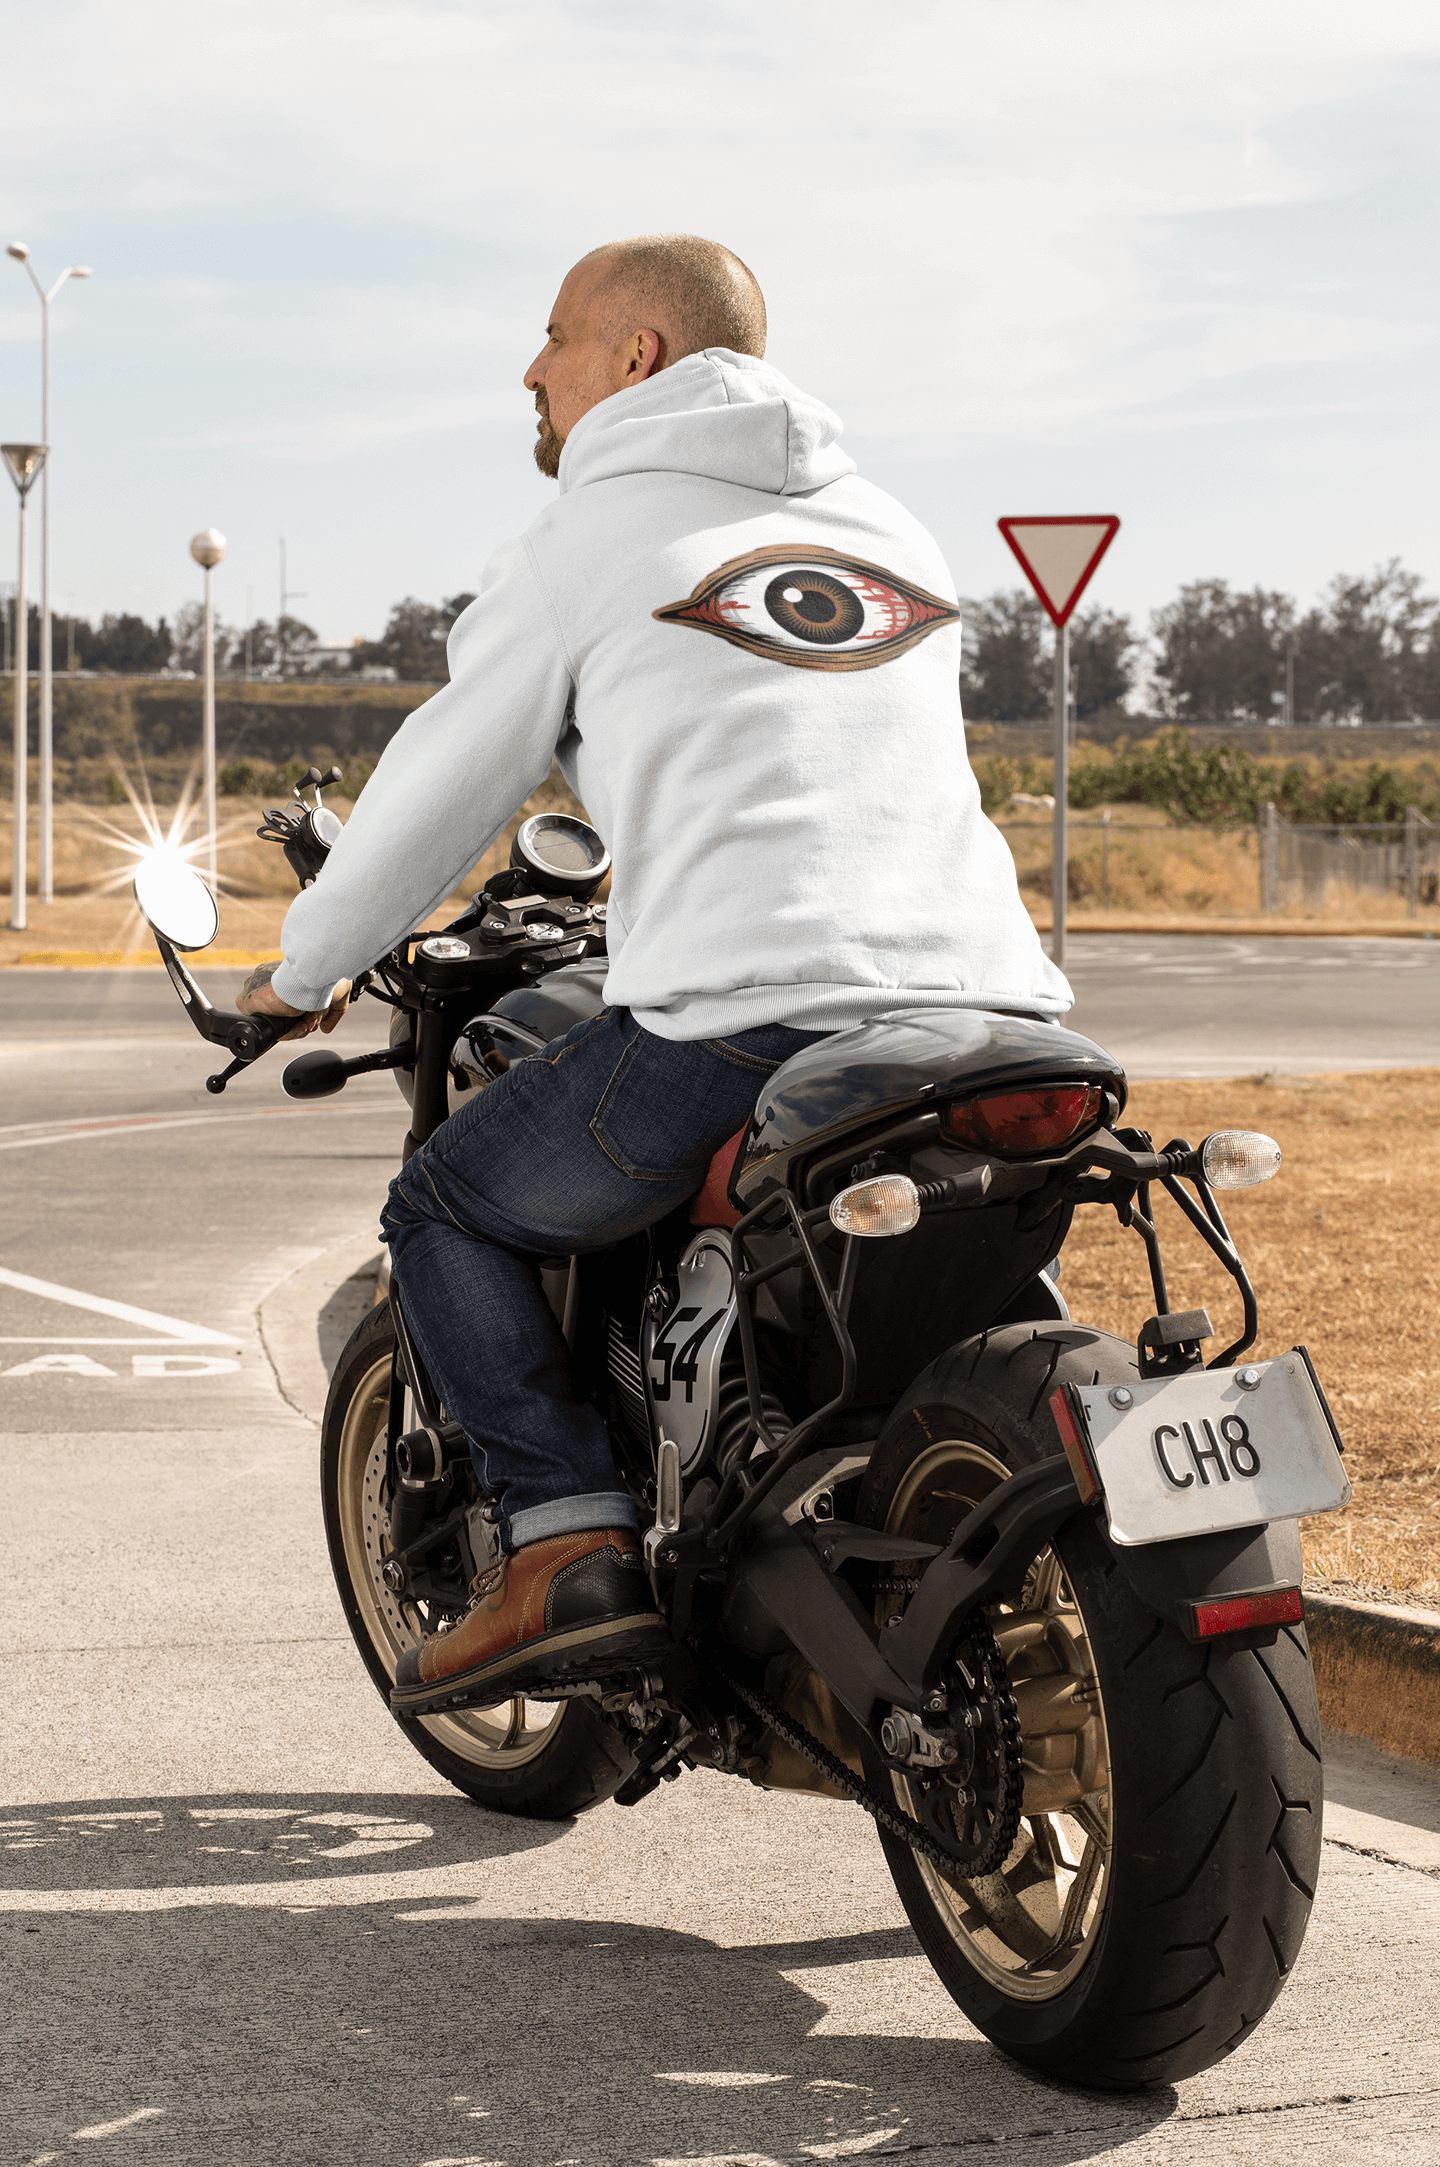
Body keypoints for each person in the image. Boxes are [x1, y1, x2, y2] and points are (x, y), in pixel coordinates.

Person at [238, 232, 1071, 1716]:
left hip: (757, 1014)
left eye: (555, 334)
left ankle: (564, 1545)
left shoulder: (585, 541)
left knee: (446, 1204)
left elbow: (437, 787)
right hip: (991, 1008)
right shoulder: (887, 525)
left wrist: (302, 971)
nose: (531, 368)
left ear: (638, 356)